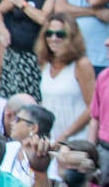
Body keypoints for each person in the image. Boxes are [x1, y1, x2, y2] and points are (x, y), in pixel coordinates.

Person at [37, 13, 95, 141]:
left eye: (60, 34)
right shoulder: (46, 64)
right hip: (51, 139)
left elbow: (93, 107)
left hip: (76, 139)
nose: (53, 38)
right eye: (49, 33)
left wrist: (66, 134)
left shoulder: (81, 64)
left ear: (71, 37)